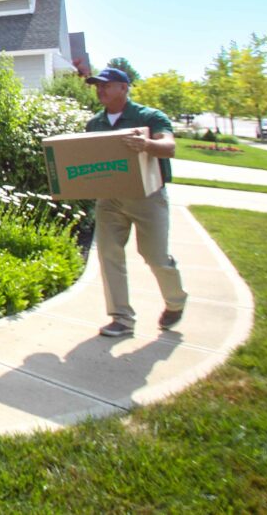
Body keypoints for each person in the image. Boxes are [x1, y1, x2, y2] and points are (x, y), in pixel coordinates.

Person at [84, 67, 187, 338]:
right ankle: (121, 318)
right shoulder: (95, 123)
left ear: (124, 88)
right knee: (108, 254)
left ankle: (175, 301)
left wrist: (147, 145)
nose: (100, 89)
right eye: (97, 85)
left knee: (155, 256)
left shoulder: (149, 117)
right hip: (109, 198)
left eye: (106, 85)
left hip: (148, 197)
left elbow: (170, 147)